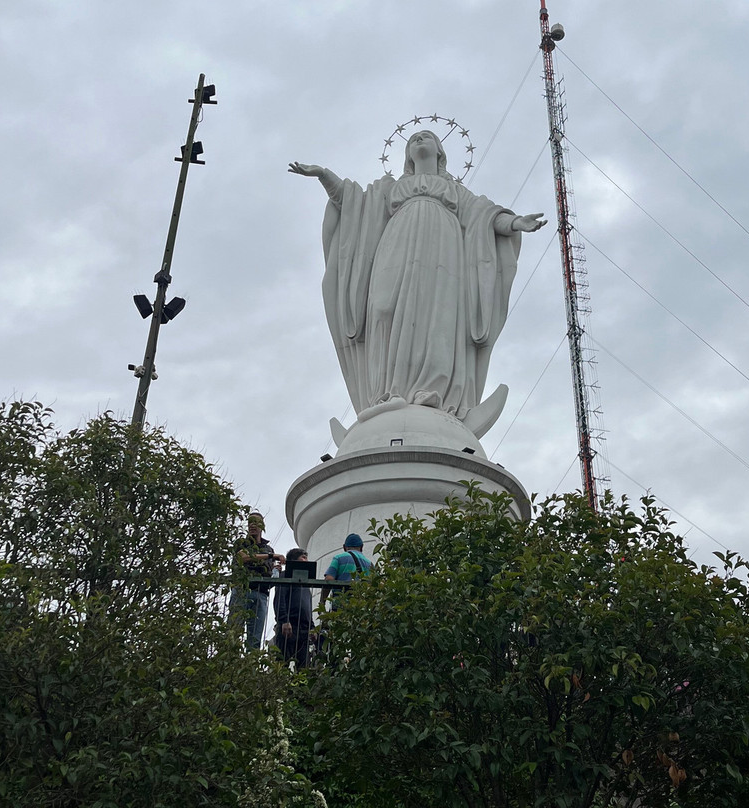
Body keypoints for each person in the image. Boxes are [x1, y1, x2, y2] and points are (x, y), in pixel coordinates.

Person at [289, 129, 546, 437]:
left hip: (443, 249)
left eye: (426, 137)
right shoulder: (392, 188)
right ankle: (387, 391)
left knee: (436, 317)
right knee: (383, 308)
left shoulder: (455, 191)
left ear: (439, 151)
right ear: (407, 155)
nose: (419, 140)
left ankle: (431, 392)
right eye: (413, 139)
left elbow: (485, 217)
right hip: (396, 242)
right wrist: (323, 175)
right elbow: (353, 202)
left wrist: (517, 223)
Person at [233, 512, 285, 649]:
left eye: (256, 522)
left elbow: (268, 575)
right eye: (250, 522)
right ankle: (229, 666)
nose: (252, 525)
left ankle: (250, 667)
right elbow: (242, 557)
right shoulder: (242, 544)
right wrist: (271, 556)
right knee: (233, 632)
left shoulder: (268, 548)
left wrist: (275, 571)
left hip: (261, 594)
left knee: (255, 638)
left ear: (262, 526)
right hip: (241, 591)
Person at [274, 547, 314, 669]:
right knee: (282, 665)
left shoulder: (305, 583)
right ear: (293, 560)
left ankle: (299, 688)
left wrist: (311, 627)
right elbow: (279, 599)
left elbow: (308, 608)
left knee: (303, 668)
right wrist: (284, 620)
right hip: (289, 626)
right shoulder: (285, 576)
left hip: (304, 630)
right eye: (303, 557)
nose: (306, 561)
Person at [318, 533, 374, 612]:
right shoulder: (370, 564)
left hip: (341, 606)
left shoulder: (339, 558)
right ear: (361, 547)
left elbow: (329, 579)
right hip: (362, 609)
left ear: (344, 547)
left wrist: (322, 602)